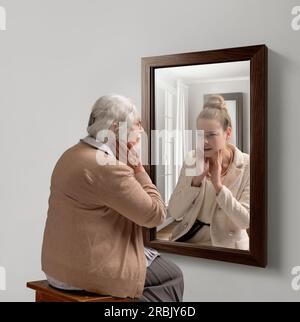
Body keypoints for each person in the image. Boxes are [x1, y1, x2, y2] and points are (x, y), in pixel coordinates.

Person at [41, 94, 184, 301]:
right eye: (137, 124)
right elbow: (156, 214)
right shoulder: (108, 168)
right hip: (86, 274)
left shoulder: (69, 155)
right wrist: (138, 168)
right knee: (173, 276)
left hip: (56, 268)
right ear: (117, 129)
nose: (142, 131)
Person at [168, 95, 250, 250]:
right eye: (200, 135)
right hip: (190, 240)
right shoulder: (192, 159)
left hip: (229, 246)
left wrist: (218, 185)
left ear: (228, 133)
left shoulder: (247, 164)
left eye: (211, 135)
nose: (204, 141)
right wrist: (196, 181)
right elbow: (175, 211)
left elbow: (245, 221)